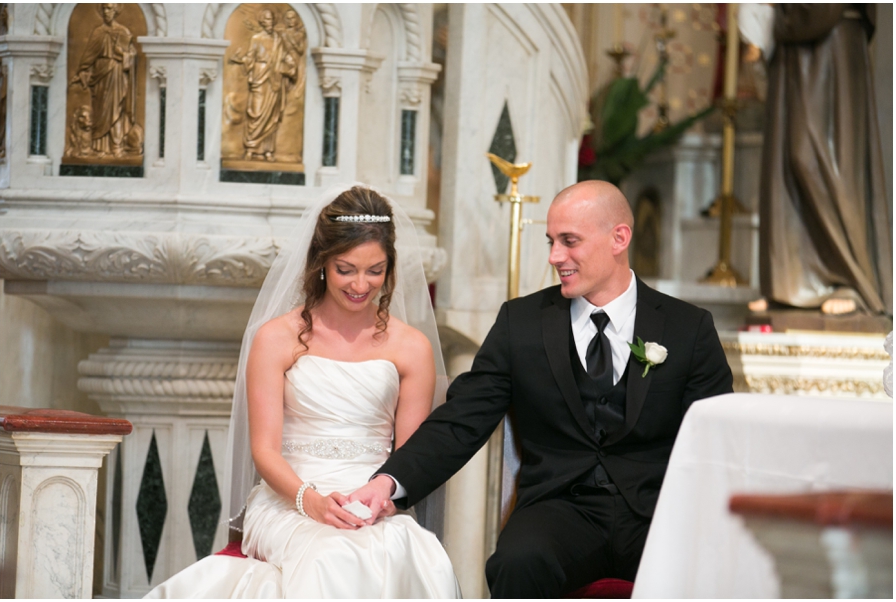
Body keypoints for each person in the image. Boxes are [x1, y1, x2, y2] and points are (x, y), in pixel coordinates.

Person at [350, 180, 734, 598]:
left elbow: (717, 441)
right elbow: (461, 421)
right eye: (552, 241)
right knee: (517, 563)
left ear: (619, 238)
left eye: (570, 242)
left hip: (658, 514)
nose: (555, 257)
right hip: (557, 510)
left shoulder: (687, 328)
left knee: (709, 569)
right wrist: (389, 482)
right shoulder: (522, 323)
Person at [145, 185, 459, 598]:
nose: (361, 284)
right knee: (330, 557)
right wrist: (310, 501)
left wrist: (385, 503)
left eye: (375, 270)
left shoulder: (411, 347)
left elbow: (410, 457)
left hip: (372, 502)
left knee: (419, 553)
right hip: (288, 499)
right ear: (322, 263)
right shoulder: (276, 338)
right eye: (346, 269)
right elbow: (265, 451)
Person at [756, 4, 892, 316]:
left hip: (832, 33)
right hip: (791, 34)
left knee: (820, 157)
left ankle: (849, 279)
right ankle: (788, 283)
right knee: (784, 162)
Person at [71, 3, 139, 157]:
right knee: (100, 110)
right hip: (100, 76)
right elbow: (88, 57)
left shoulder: (123, 32)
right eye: (104, 9)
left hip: (117, 74)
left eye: (109, 9)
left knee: (116, 109)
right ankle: (100, 148)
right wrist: (82, 71)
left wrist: (121, 54)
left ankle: (116, 146)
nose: (106, 12)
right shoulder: (98, 32)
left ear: (115, 11)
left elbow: (132, 57)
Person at [231, 9, 294, 162]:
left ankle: (268, 151)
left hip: (274, 81)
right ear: (261, 21)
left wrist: (290, 64)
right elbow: (250, 57)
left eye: (271, 19)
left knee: (272, 117)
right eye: (266, 19)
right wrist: (240, 60)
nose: (270, 22)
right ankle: (250, 149)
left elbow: (286, 56)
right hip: (260, 77)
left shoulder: (279, 40)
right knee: (256, 114)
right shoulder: (256, 39)